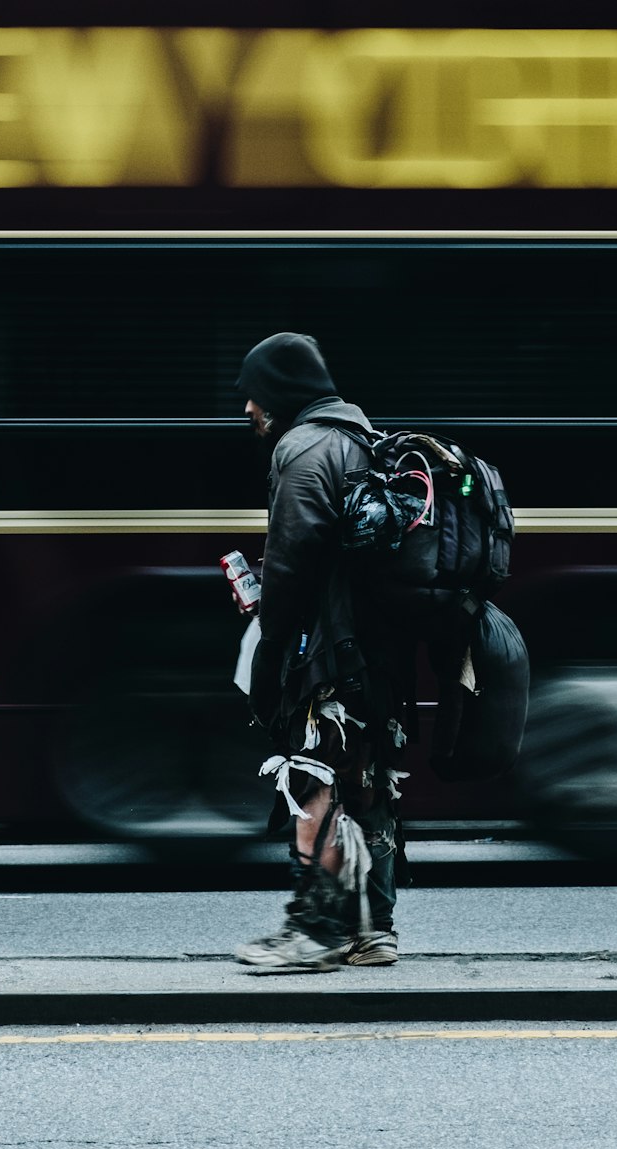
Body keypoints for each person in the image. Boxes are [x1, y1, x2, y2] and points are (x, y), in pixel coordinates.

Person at [234, 332, 410, 972]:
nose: (247, 410)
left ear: (278, 394)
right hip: (378, 646)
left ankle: (318, 931)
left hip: (329, 649)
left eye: (252, 395)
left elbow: (293, 561)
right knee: (367, 781)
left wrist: (269, 640)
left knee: (315, 778)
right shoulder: (363, 439)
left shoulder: (302, 448)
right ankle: (374, 930)